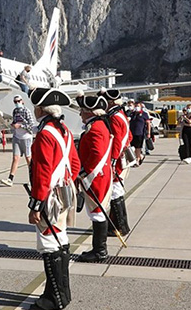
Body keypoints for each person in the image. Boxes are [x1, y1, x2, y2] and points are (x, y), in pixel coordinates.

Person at [27, 87, 80, 310]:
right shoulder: (64, 130)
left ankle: (53, 300)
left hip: (50, 197)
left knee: (49, 244)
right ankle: (61, 294)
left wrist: (36, 205)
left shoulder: (45, 134)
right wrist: (65, 183)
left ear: (40, 109)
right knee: (61, 240)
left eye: (35, 108)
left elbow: (42, 173)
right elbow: (75, 164)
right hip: (65, 193)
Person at [76, 95, 114, 262]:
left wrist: (84, 171)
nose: (80, 114)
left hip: (95, 177)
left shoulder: (95, 128)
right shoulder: (98, 125)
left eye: (82, 111)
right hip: (99, 175)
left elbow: (97, 154)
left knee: (97, 213)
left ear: (88, 112)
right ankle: (99, 248)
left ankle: (100, 250)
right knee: (98, 212)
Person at [98, 89, 132, 236]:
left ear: (110, 102)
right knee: (117, 193)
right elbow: (128, 136)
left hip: (116, 160)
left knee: (115, 193)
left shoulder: (114, 117)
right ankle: (118, 225)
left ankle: (119, 227)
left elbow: (117, 142)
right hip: (120, 158)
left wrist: (111, 161)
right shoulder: (120, 114)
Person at [1, 95, 34, 187]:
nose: (17, 103)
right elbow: (15, 121)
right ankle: (10, 179)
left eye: (18, 101)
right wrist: (13, 125)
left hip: (26, 137)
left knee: (28, 159)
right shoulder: (15, 111)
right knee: (15, 158)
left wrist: (20, 126)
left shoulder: (26, 111)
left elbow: (31, 125)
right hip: (17, 137)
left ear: (22, 101)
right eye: (15, 102)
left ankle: (33, 178)